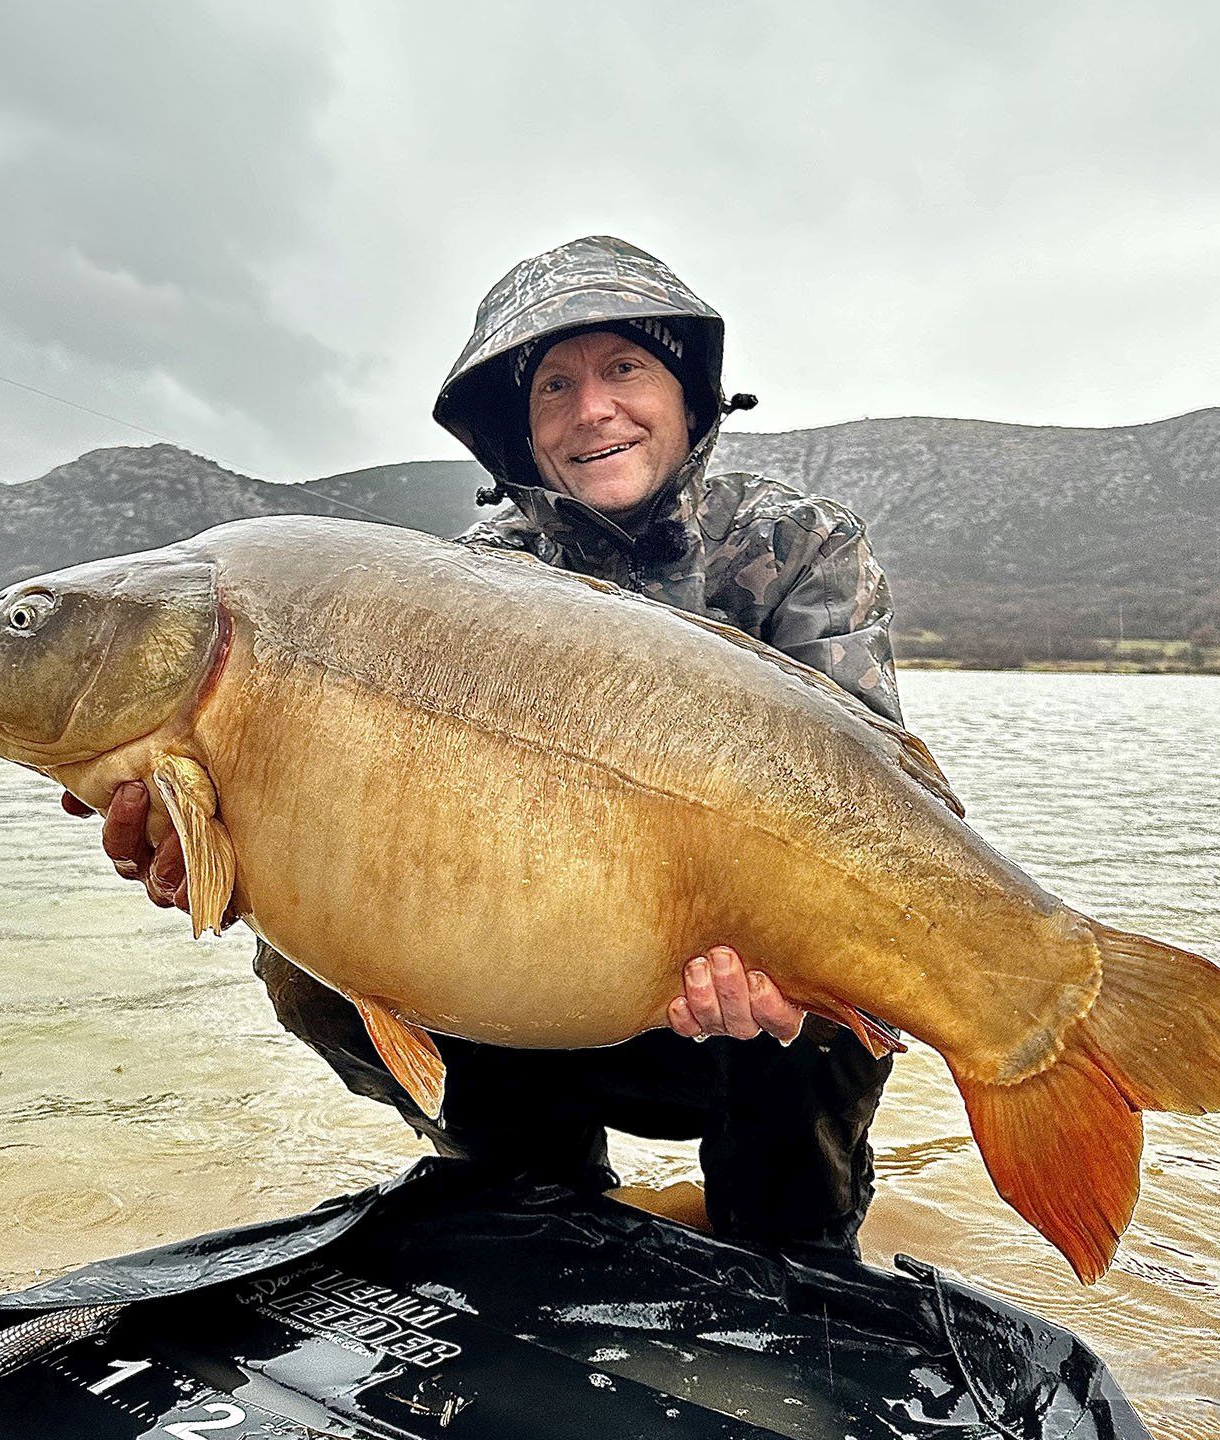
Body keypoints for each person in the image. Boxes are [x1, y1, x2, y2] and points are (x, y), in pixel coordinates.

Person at [71, 236, 902, 1254]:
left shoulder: (801, 545)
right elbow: (381, 830)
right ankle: (538, 1201)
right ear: (518, 428)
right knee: (303, 965)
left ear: (690, 397)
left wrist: (786, 964)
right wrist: (221, 845)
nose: (590, 408)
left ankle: (794, 1241)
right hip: (538, 986)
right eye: (553, 385)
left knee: (849, 984)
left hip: (745, 1006)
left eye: (623, 369)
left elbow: (874, 803)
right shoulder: (469, 582)